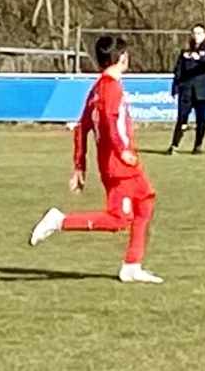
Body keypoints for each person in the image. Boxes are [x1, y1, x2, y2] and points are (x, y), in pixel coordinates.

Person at [27, 34, 161, 283]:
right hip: (119, 165)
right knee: (118, 219)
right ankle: (60, 221)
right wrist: (121, 150)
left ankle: (132, 265)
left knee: (145, 202)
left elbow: (82, 127)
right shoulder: (110, 88)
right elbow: (109, 122)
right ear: (123, 57)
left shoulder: (98, 88)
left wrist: (80, 167)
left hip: (116, 163)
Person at [168, 24, 205, 154]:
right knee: (182, 118)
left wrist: (199, 58)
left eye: (199, 33)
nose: (196, 36)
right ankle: (174, 145)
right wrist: (175, 87)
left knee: (201, 120)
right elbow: (178, 70)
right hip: (186, 90)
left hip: (201, 91)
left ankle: (198, 145)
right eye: (194, 33)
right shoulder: (185, 51)